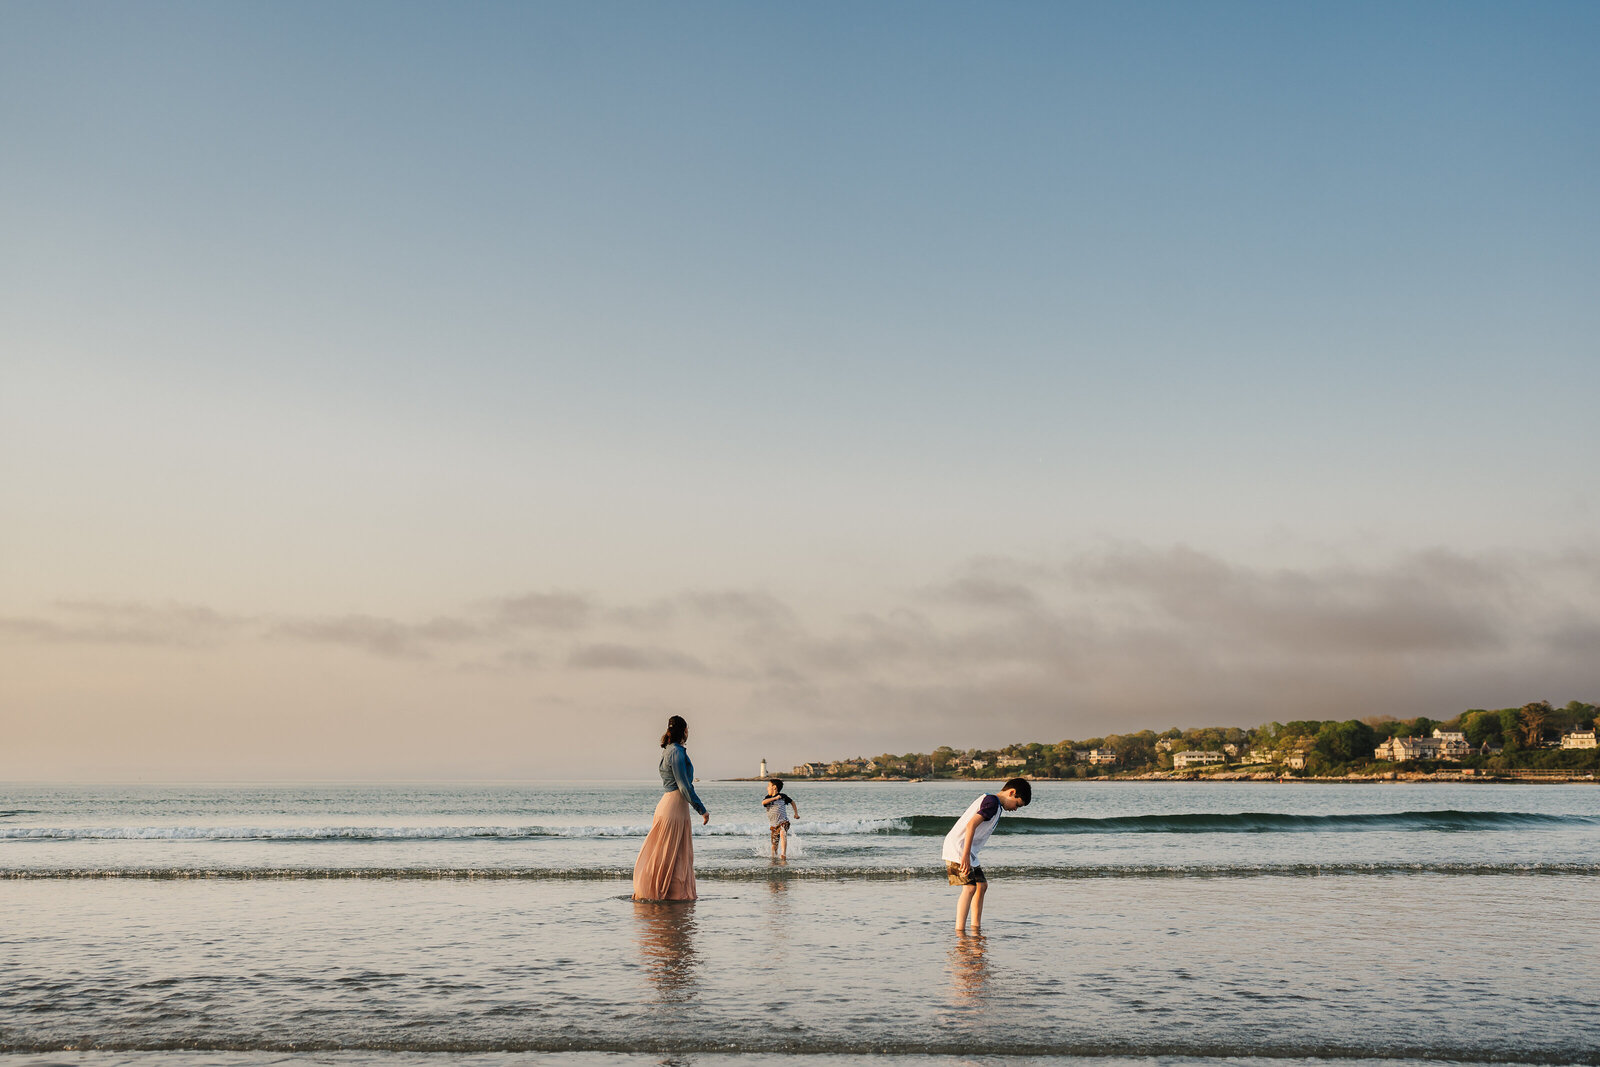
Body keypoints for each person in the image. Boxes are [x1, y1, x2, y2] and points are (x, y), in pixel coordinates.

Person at [633, 715, 709, 901]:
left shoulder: (669, 750)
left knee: (670, 853)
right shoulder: (676, 752)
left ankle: (668, 893)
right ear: (684, 731)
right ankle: (670, 894)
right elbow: (684, 786)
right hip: (675, 806)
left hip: (669, 804)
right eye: (687, 729)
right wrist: (701, 809)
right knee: (673, 854)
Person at [941, 777, 1031, 933]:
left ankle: (976, 927)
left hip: (969, 851)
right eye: (1017, 804)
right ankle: (959, 931)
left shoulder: (994, 804)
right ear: (1012, 792)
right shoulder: (992, 803)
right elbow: (971, 825)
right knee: (969, 888)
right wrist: (965, 855)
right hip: (958, 848)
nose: (1015, 809)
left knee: (981, 886)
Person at [761, 778, 799, 859]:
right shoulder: (768, 798)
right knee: (774, 844)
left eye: (768, 786)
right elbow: (763, 803)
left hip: (784, 821)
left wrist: (796, 813)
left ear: (774, 787)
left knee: (782, 833)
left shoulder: (783, 796)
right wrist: (774, 798)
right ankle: (773, 857)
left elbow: (792, 802)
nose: (767, 788)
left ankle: (783, 854)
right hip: (774, 825)